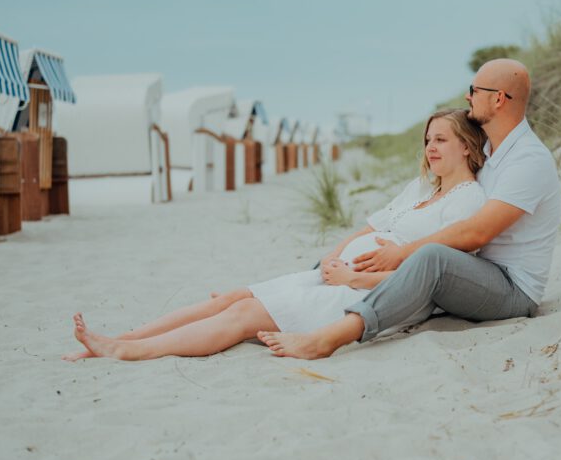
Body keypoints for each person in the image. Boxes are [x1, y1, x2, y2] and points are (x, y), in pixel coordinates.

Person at [64, 109, 487, 361]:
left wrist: (353, 279)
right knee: (234, 296)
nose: (430, 148)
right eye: (427, 139)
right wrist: (333, 257)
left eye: (441, 140)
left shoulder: (468, 201)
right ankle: (124, 337)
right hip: (337, 276)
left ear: (466, 146)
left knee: (243, 314)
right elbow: (369, 229)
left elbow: (427, 276)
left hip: (365, 294)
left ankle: (130, 352)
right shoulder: (421, 188)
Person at [259, 58, 561, 359]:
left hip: (512, 290)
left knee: (431, 257)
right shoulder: (488, 153)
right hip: (475, 272)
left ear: (498, 98)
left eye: (475, 89)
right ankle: (275, 296)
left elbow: (477, 232)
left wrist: (402, 252)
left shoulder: (527, 160)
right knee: (418, 254)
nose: (468, 96)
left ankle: (330, 338)